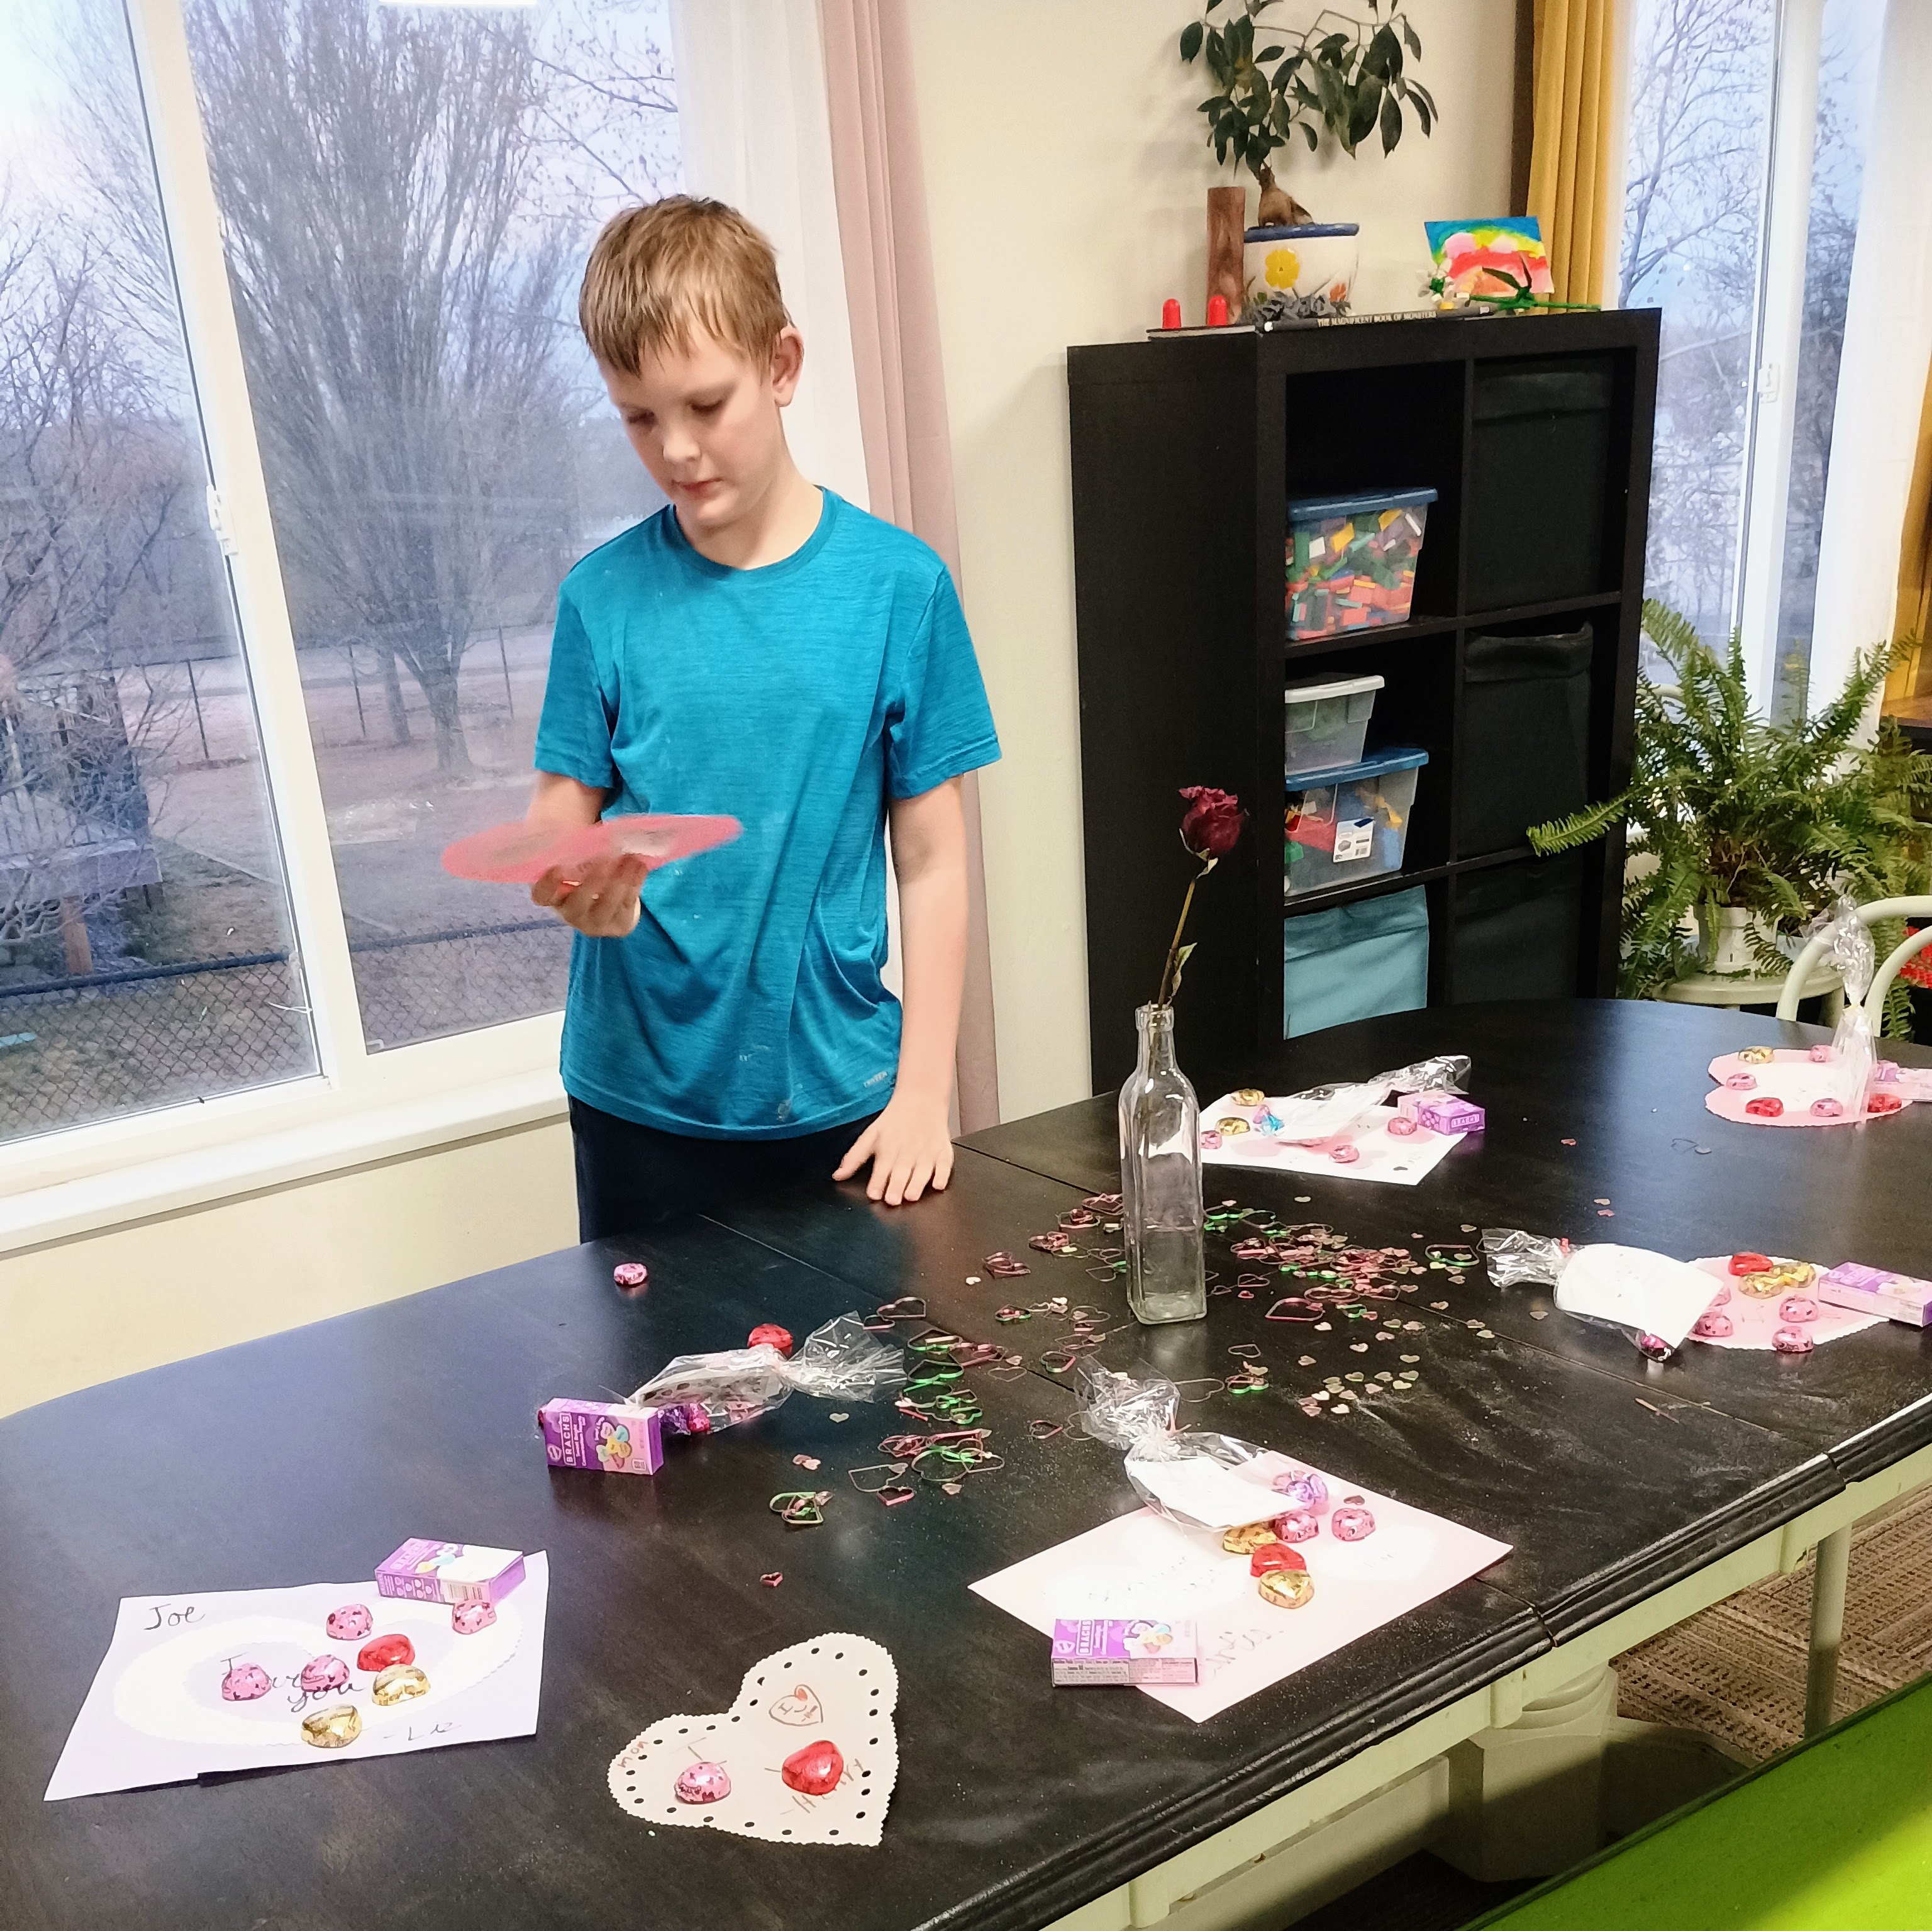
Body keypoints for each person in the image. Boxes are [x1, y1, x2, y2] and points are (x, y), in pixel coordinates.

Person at [526, 196, 999, 1242]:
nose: (677, 449)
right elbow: (560, 819)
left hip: (839, 1101)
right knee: (656, 1356)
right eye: (639, 418)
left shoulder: (900, 590)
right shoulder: (599, 600)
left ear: (781, 365)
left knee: (867, 1357)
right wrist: (572, 884)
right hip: (635, 1105)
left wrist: (925, 1092)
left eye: (706, 404)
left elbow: (932, 860)